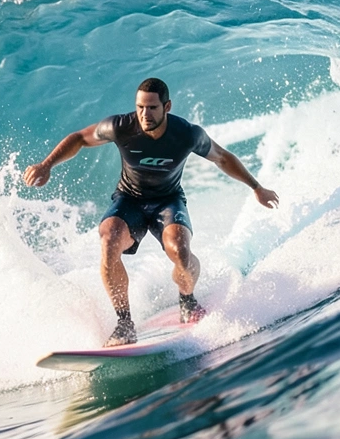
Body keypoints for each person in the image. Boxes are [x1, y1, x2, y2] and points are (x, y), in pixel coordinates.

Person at [23, 78, 280, 346]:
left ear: (167, 106)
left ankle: (187, 299)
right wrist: (47, 164)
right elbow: (80, 138)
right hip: (129, 199)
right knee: (109, 241)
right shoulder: (120, 127)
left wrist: (256, 187)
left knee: (180, 252)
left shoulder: (187, 134)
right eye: (140, 108)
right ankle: (124, 323)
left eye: (152, 108)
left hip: (168, 201)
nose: (144, 115)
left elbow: (223, 157)